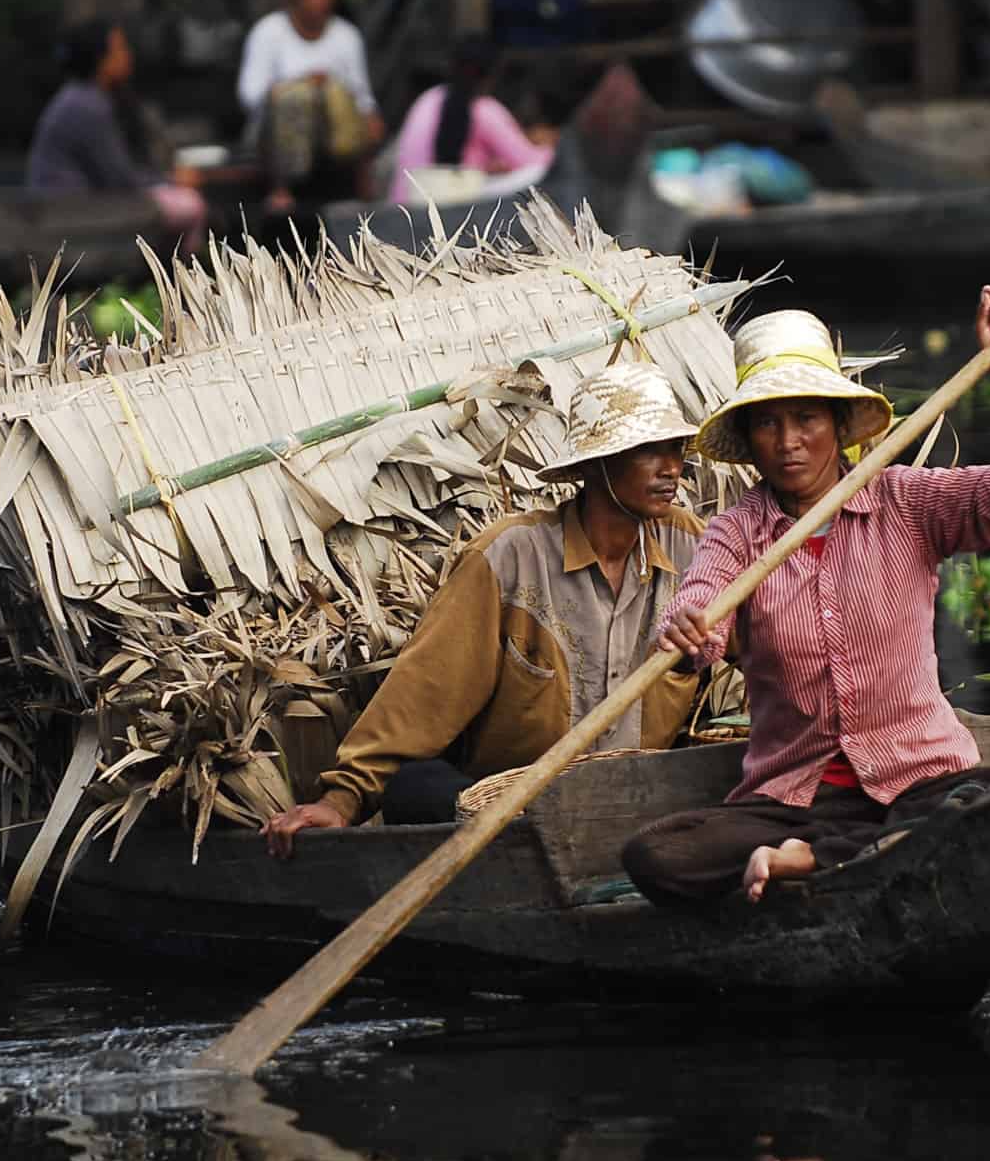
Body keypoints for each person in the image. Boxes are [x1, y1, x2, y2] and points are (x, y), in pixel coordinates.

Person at [621, 289, 990, 905]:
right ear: (749, 439)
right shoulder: (738, 532)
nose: (789, 441)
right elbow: (701, 608)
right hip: (795, 803)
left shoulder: (905, 502)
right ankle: (831, 851)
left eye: (806, 418)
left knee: (974, 804)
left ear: (836, 424)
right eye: (768, 422)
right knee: (656, 855)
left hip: (918, 781)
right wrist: (690, 629)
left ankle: (821, 860)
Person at [263, 361, 711, 858]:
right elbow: (425, 692)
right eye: (648, 450)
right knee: (414, 786)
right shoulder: (511, 558)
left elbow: (767, 641)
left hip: (640, 808)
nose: (671, 468)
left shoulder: (696, 550)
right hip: (513, 816)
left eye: (675, 449)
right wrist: (343, 801)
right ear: (594, 464)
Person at [27, 19, 208, 251]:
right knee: (189, 204)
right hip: (68, 208)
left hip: (74, 202)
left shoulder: (86, 97)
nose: (127, 56)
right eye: (120, 49)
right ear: (100, 59)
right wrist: (171, 180)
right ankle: (183, 274)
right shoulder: (85, 106)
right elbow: (119, 178)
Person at [235, 0, 384, 212]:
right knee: (297, 97)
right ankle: (281, 188)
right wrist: (301, 84)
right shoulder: (267, 32)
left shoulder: (347, 36)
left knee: (338, 95)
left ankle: (362, 189)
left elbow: (363, 97)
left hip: (331, 136)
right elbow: (250, 95)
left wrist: (370, 119)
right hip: (275, 135)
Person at [386, 35, 556, 207]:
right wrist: (554, 143)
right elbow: (531, 161)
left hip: (407, 202)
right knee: (536, 172)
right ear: (493, 73)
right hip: (452, 202)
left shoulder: (429, 97)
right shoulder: (484, 110)